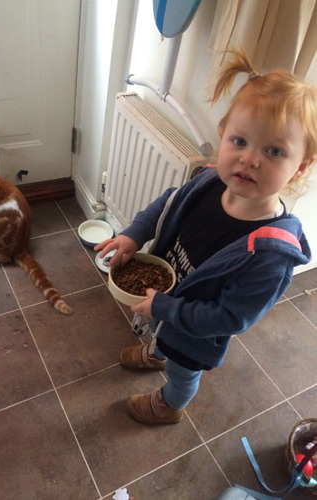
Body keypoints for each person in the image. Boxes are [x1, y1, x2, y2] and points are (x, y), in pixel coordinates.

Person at [95, 50, 317, 425]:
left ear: (301, 167)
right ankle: (158, 351)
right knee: (166, 338)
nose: (250, 160)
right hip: (168, 309)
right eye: (240, 141)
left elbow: (229, 317)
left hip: (195, 336)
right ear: (222, 135)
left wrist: (165, 309)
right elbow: (169, 204)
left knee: (183, 372)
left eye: (274, 151)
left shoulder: (271, 255)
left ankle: (170, 405)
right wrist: (135, 234)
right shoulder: (209, 180)